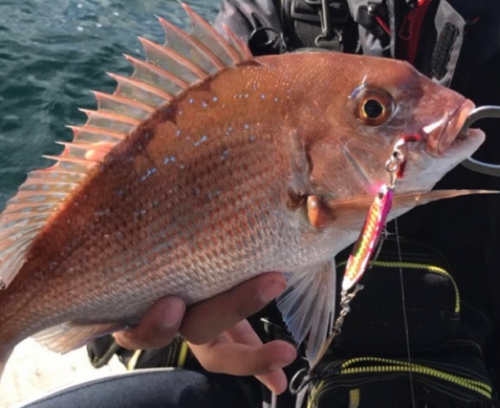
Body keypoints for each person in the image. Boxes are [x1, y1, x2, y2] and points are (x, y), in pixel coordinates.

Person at [21, 1, 500, 407]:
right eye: (374, 111)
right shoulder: (258, 21)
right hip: (252, 370)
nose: (435, 114)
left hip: (469, 370)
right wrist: (155, 327)